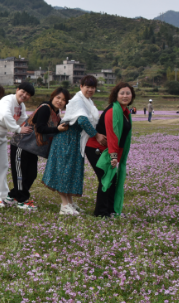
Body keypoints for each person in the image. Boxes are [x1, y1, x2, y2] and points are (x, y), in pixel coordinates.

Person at [43, 76, 105, 215]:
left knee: (71, 171)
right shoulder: (78, 101)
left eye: (93, 87)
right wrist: (96, 135)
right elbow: (82, 120)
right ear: (81, 86)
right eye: (87, 86)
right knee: (64, 171)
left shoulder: (86, 101)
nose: (90, 89)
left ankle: (70, 203)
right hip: (66, 140)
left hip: (74, 140)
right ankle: (64, 205)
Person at [8, 87, 69, 210]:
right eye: (58, 97)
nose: (60, 101)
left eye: (63, 100)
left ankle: (12, 196)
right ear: (52, 97)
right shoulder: (45, 108)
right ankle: (22, 201)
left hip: (31, 148)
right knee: (20, 174)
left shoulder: (56, 113)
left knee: (31, 174)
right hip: (22, 144)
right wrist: (57, 129)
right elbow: (40, 128)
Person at [85, 82, 134, 217]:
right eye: (122, 93)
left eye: (128, 93)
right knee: (106, 179)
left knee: (112, 179)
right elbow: (112, 135)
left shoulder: (125, 112)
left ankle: (111, 211)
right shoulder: (113, 111)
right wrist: (113, 156)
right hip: (97, 148)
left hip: (109, 150)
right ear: (115, 95)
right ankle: (101, 213)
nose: (125, 96)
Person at [0, 82, 33, 207]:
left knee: (3, 166)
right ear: (17, 90)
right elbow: (5, 115)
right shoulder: (8, 100)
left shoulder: (21, 106)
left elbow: (23, 120)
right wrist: (17, 129)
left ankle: (4, 195)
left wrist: (31, 127)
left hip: (2, 136)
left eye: (28, 94)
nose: (24, 95)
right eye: (23, 91)